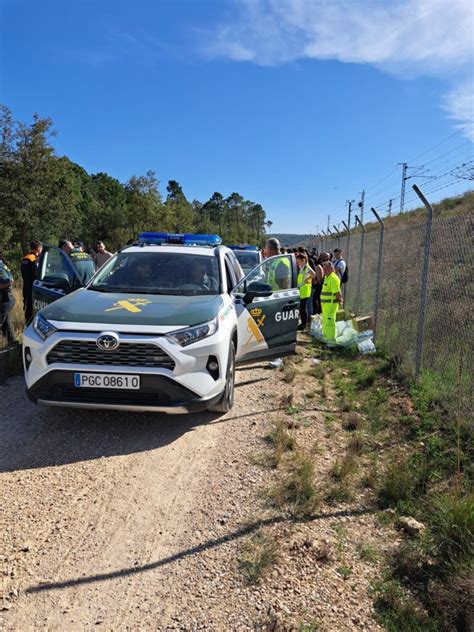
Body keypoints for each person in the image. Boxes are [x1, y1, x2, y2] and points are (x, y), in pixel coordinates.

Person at [21, 240, 42, 325]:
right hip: (32, 287)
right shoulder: (32, 259)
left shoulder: (26, 257)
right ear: (38, 248)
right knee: (31, 309)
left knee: (28, 308)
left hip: (27, 287)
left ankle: (29, 325)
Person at [321, 261, 342, 345]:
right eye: (323, 268)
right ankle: (326, 339)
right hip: (326, 306)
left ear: (331, 268)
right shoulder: (327, 277)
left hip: (331, 305)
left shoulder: (333, 278)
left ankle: (331, 342)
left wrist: (340, 300)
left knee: (330, 323)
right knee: (326, 322)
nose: (324, 270)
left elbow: (337, 293)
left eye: (326, 268)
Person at [0, 250, 16, 346]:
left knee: (3, 323)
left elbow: (8, 282)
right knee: (6, 324)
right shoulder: (2, 265)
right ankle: (13, 346)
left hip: (6, 300)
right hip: (6, 300)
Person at [296, 253, 315, 330]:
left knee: (303, 308)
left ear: (303, 260)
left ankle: (303, 324)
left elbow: (314, 274)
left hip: (305, 289)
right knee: (302, 308)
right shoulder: (302, 267)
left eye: (299, 261)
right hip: (302, 289)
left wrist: (308, 279)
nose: (298, 263)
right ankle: (303, 323)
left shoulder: (306, 267)